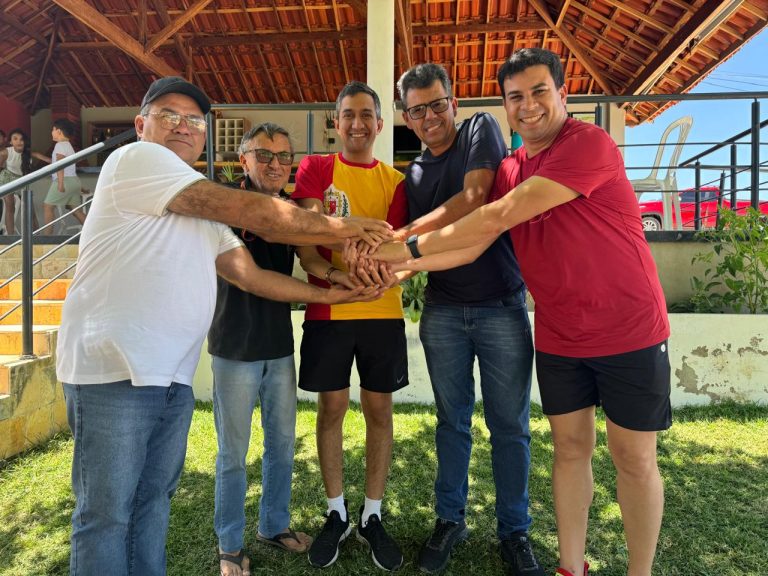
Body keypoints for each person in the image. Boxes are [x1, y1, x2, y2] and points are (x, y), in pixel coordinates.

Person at [56, 76, 392, 576]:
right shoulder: (138, 161)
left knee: (152, 503)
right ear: (141, 124)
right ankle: (230, 543)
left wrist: (332, 294)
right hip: (115, 374)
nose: (183, 126)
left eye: (194, 120)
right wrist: (343, 227)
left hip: (172, 378)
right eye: (169, 115)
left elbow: (252, 275)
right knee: (107, 516)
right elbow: (260, 216)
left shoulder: (200, 210)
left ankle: (269, 526)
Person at [371, 48, 671, 576]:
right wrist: (397, 268)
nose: (528, 106)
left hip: (627, 329)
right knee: (569, 451)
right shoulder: (510, 169)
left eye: (539, 92)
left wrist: (404, 247)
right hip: (558, 334)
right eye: (516, 97)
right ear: (506, 105)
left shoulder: (588, 144)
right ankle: (570, 567)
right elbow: (473, 243)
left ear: (563, 94)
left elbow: (496, 215)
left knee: (632, 457)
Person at [380, 63, 541, 575]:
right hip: (443, 312)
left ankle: (515, 531)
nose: (429, 117)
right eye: (417, 110)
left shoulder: (479, 130)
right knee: (452, 422)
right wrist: (373, 270)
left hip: (501, 306)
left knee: (509, 425)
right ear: (406, 117)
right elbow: (414, 254)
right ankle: (450, 520)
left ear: (453, 103)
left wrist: (401, 240)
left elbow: (474, 199)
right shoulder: (413, 174)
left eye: (437, 104)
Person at [209, 122, 382, 576]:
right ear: (243, 160)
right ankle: (230, 545)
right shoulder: (226, 203)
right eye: (264, 155)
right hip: (234, 346)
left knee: (282, 443)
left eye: (284, 157)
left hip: (278, 345)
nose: (275, 164)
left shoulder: (291, 208)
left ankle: (273, 525)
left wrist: (348, 270)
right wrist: (345, 240)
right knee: (233, 453)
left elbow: (310, 250)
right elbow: (267, 248)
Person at [291, 81, 409, 572]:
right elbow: (307, 239)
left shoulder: (397, 182)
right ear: (335, 122)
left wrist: (378, 273)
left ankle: (372, 514)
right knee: (332, 408)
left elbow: (399, 249)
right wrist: (336, 273)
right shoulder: (316, 169)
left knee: (379, 410)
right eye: (348, 115)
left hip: (382, 310)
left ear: (380, 124)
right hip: (330, 308)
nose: (357, 124)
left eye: (366, 115)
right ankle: (336, 512)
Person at [33, 118, 87, 234]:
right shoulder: (68, 145)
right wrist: (39, 156)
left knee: (47, 207)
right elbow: (58, 163)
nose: (51, 132)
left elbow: (60, 164)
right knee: (76, 211)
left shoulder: (60, 145)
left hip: (64, 181)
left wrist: (60, 183)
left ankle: (47, 238)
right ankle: (94, 232)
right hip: (73, 181)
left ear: (59, 131)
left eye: (53, 129)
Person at [0, 128, 39, 234]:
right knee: (10, 207)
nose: (19, 141)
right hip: (8, 179)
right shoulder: (5, 152)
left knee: (30, 209)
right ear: (10, 142)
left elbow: (41, 156)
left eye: (21, 139)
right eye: (15, 139)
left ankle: (37, 235)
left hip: (22, 179)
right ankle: (11, 236)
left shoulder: (27, 153)